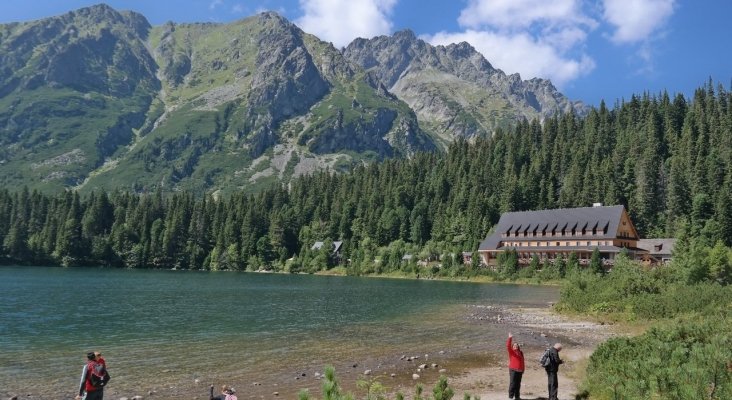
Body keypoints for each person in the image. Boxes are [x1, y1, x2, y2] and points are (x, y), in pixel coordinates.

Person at [506, 332, 525, 400]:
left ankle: (517, 397)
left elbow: (522, 361)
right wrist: (510, 338)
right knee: (512, 383)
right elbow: (508, 346)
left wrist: (523, 369)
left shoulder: (521, 352)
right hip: (513, 370)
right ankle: (510, 397)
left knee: (518, 384)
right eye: (514, 345)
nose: (515, 346)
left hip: (520, 371)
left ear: (518, 346)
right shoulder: (512, 352)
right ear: (513, 347)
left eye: (516, 345)